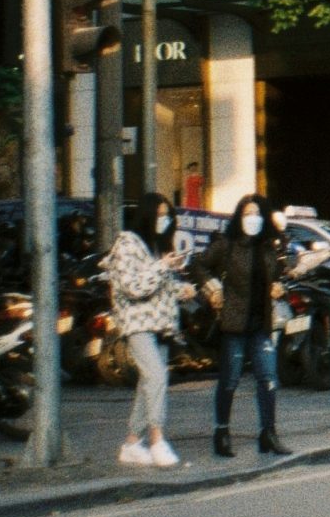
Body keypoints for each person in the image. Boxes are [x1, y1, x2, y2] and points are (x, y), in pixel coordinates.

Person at [198, 193, 291, 457]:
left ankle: (268, 433)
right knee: (230, 380)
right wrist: (213, 289)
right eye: (248, 213)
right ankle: (222, 431)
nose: (253, 219)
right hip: (234, 324)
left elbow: (277, 276)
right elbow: (199, 266)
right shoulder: (226, 245)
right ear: (239, 217)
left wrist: (278, 286)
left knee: (268, 379)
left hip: (261, 324)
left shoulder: (269, 248)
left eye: (257, 214)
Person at [105, 193, 185, 468]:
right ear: (148, 214)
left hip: (160, 324)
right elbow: (134, 287)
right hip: (136, 322)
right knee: (157, 375)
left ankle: (130, 443)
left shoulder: (155, 246)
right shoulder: (127, 243)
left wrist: (179, 288)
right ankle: (156, 438)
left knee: (148, 382)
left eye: (168, 215)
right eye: (160, 214)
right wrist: (163, 266)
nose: (164, 220)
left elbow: (159, 286)